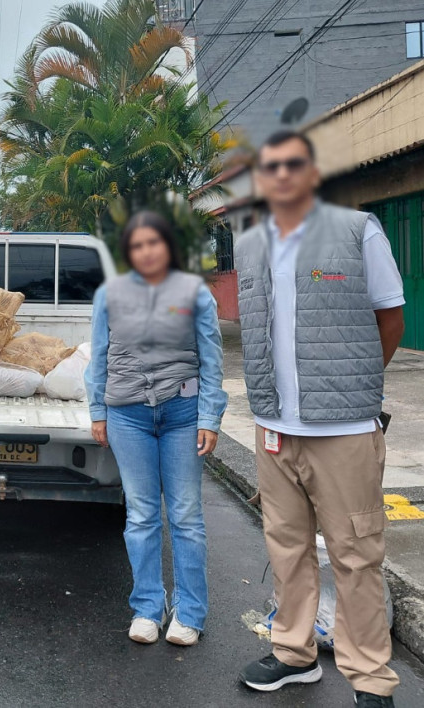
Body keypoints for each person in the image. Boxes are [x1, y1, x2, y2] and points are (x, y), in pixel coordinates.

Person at [234, 131, 405, 708]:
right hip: (273, 427)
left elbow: (390, 319)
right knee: (286, 546)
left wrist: (352, 389)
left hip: (344, 430)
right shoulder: (248, 244)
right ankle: (293, 653)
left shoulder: (357, 231)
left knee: (356, 555)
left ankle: (371, 678)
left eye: (294, 165)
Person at [86, 211, 228, 647]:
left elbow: (212, 359)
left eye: (155, 242)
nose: (146, 251)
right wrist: (97, 411)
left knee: (185, 515)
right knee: (142, 514)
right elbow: (99, 356)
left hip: (183, 413)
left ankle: (190, 611)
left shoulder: (194, 293)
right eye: (137, 245)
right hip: (127, 416)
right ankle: (148, 607)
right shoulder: (109, 295)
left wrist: (210, 417)